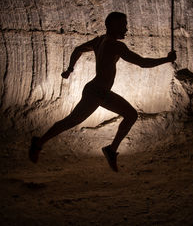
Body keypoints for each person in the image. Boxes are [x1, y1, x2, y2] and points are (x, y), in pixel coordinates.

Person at [29, 12, 176, 172]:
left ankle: (111, 150)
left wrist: (70, 70)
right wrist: (166, 60)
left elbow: (78, 49)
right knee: (71, 121)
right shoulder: (115, 45)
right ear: (112, 25)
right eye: (123, 24)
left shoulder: (99, 40)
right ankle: (39, 142)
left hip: (97, 91)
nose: (126, 28)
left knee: (129, 115)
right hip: (97, 92)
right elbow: (142, 63)